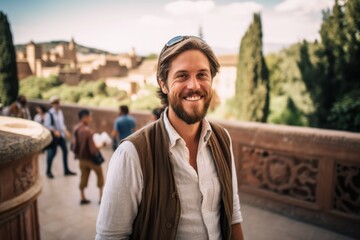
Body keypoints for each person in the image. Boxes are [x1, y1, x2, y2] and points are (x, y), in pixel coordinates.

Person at [96, 36, 244, 239]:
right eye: (182, 76)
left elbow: (233, 213)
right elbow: (111, 236)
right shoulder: (131, 155)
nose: (194, 85)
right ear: (163, 84)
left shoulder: (222, 139)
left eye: (202, 75)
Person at [72, 109, 104, 205]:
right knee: (100, 176)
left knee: (83, 177)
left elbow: (74, 145)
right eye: (89, 116)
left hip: (81, 159)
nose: (91, 118)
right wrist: (101, 145)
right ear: (85, 117)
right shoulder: (87, 131)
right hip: (91, 160)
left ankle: (82, 197)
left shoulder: (76, 128)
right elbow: (93, 149)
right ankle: (101, 198)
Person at [44, 95, 76, 179]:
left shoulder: (60, 112)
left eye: (58, 103)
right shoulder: (49, 114)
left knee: (65, 151)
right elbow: (47, 125)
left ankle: (66, 170)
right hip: (54, 137)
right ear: (53, 104)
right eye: (56, 103)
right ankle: (48, 171)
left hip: (60, 136)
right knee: (52, 154)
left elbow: (61, 125)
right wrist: (54, 131)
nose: (58, 104)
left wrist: (65, 131)